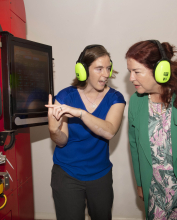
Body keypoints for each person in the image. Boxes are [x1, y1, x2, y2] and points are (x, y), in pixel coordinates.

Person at [46, 45, 126, 220]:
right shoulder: (65, 96)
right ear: (82, 70)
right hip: (67, 174)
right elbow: (62, 141)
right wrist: (54, 130)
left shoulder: (115, 98)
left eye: (108, 68)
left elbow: (109, 131)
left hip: (100, 175)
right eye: (99, 68)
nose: (106, 74)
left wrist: (80, 113)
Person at [126, 40, 177, 219]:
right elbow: (134, 144)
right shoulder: (136, 100)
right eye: (130, 72)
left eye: (136, 72)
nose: (131, 78)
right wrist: (140, 183)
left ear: (160, 70)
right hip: (156, 193)